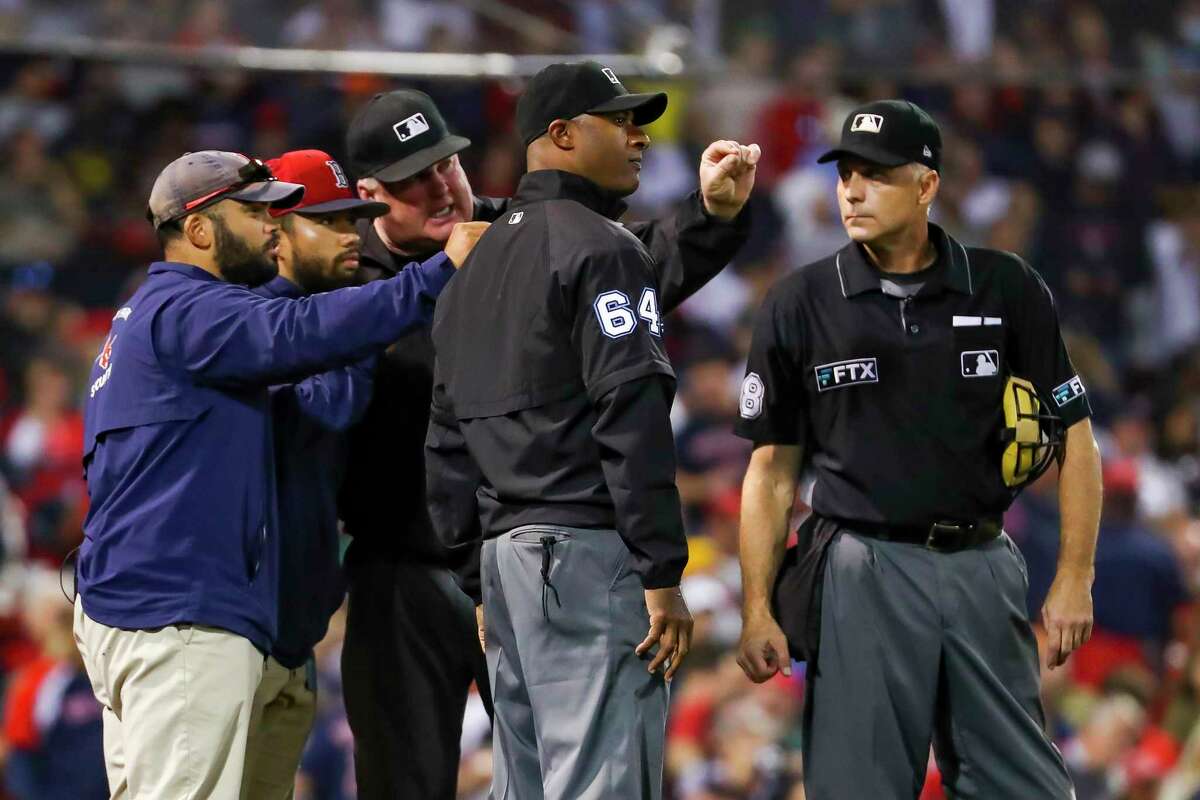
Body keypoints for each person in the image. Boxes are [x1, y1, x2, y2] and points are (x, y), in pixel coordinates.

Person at [341, 84, 756, 798]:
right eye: (416, 180)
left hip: (507, 558)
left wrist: (709, 215)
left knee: (544, 769)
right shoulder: (346, 280)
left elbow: (631, 262)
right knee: (408, 778)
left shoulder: (517, 233)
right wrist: (439, 278)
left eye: (448, 164)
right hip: (401, 565)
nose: (442, 186)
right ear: (372, 194)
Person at [71, 150, 485, 800]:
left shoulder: (171, 315)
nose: (271, 224)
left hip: (189, 616)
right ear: (200, 229)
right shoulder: (187, 309)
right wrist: (438, 271)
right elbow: (301, 344)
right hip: (183, 619)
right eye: (255, 210)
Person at [734, 100, 1103, 799]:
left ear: (927, 186)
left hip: (984, 564)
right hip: (861, 567)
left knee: (1027, 790)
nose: (851, 190)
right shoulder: (801, 302)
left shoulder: (1005, 286)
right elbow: (771, 470)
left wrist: (1074, 575)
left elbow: (1076, 438)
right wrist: (757, 607)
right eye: (845, 174)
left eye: (874, 175)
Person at [239, 149, 390, 800]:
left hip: (291, 634)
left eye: (353, 219)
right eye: (328, 221)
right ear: (275, 230)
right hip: (231, 638)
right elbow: (332, 406)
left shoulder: (322, 316)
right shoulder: (246, 320)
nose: (351, 235)